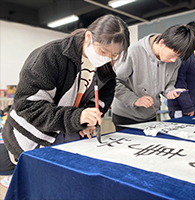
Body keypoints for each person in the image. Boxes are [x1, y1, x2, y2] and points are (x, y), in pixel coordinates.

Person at [1, 14, 130, 162]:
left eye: (114, 55)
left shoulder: (106, 72)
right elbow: (27, 106)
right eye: (103, 52)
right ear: (89, 37)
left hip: (68, 135)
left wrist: (87, 121)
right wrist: (77, 116)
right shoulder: (50, 56)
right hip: (32, 137)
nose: (107, 58)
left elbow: (99, 102)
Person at [111, 24, 195, 131]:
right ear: (161, 43)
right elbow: (114, 83)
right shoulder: (134, 51)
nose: (174, 60)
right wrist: (135, 100)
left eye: (178, 57)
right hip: (126, 116)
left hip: (150, 115)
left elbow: (169, 83)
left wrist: (170, 91)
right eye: (173, 55)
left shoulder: (175, 61)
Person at [167, 21, 195, 118]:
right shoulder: (182, 55)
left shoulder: (191, 55)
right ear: (191, 35)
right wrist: (187, 107)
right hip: (185, 109)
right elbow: (178, 82)